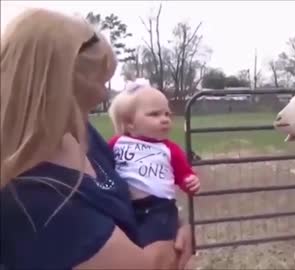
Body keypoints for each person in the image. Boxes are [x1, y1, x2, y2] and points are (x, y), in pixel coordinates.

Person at [0, 8, 193, 269]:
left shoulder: (78, 133)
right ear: (63, 82)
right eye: (102, 80)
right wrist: (167, 239)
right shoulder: (34, 199)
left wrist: (172, 222)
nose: (105, 95)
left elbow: (132, 186)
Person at [107, 83, 200, 248]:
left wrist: (190, 181)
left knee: (154, 246)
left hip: (159, 207)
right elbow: (103, 169)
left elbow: (184, 174)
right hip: (125, 206)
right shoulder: (117, 144)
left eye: (167, 114)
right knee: (127, 246)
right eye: (154, 114)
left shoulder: (169, 149)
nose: (165, 119)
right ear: (130, 123)